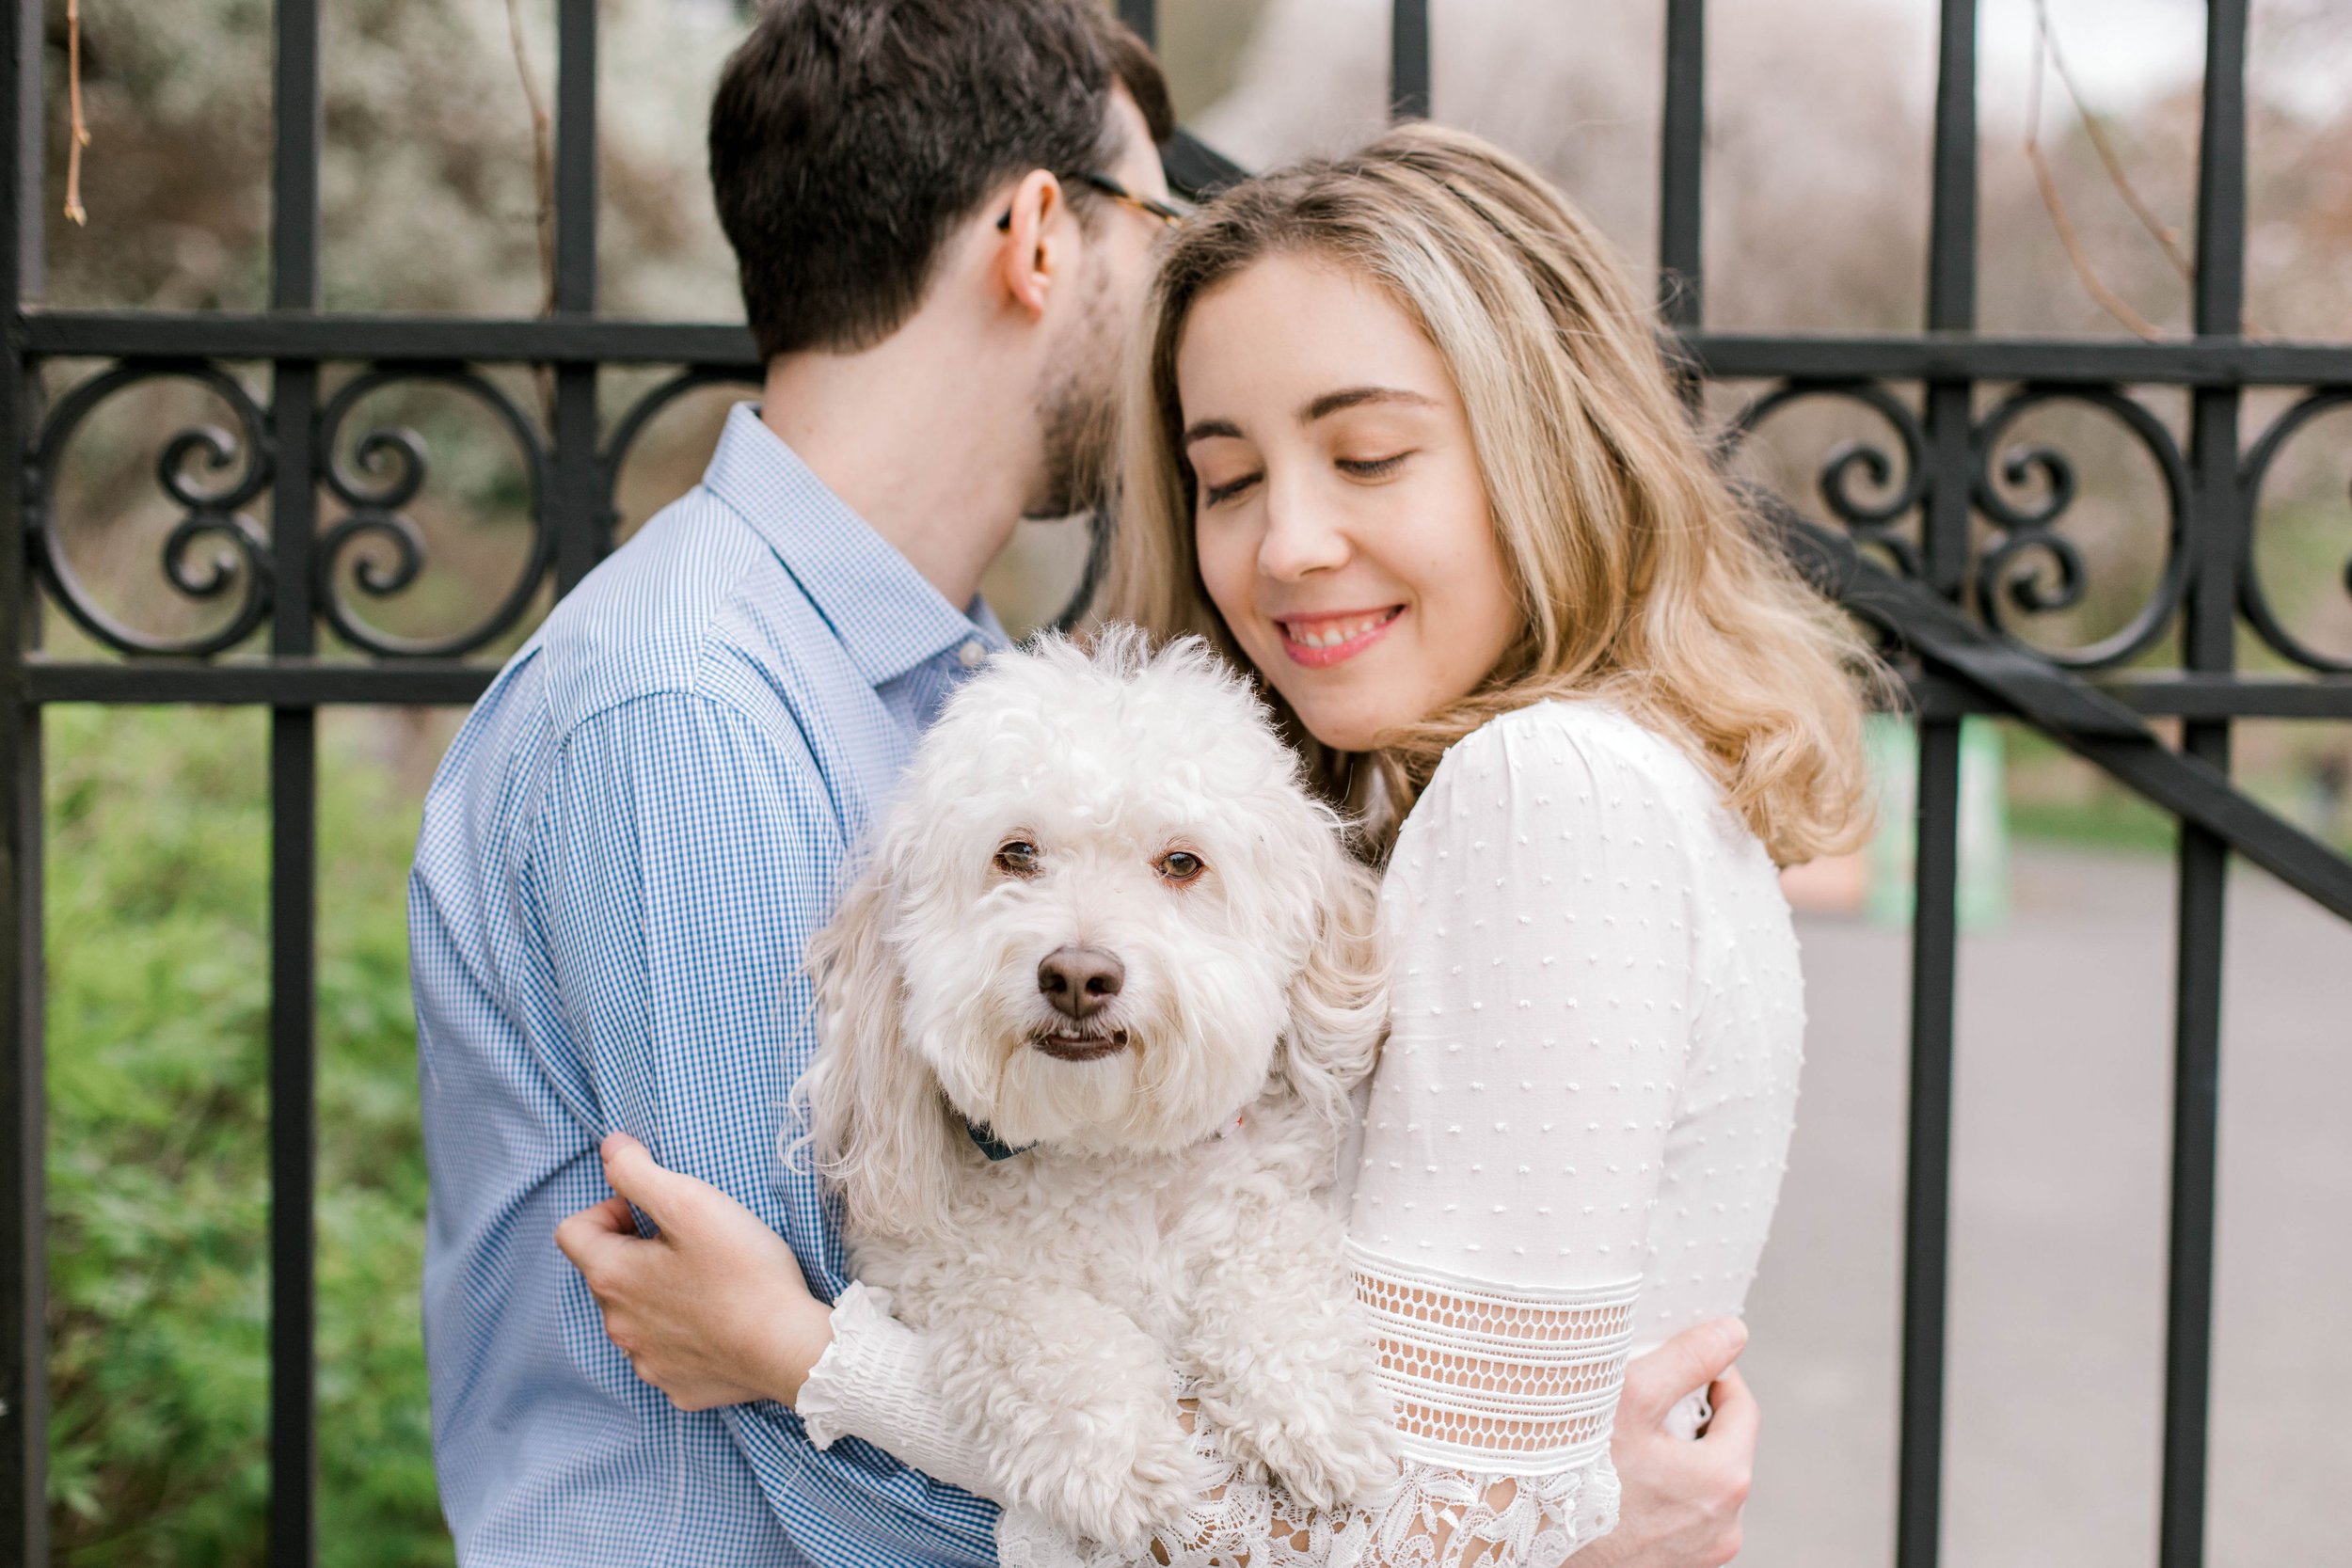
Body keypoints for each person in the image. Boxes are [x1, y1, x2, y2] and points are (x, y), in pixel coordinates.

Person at [554, 122, 1872, 1566]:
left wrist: (812, 1356)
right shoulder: (1534, 782)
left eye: (1368, 455)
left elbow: (1418, 1540)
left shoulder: (1544, 787)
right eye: (1228, 479)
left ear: (1548, 448)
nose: (1290, 542)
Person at [407, 3, 1178, 1561]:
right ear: (1039, 234)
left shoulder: (952, 692)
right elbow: (818, 1424)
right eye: (1156, 222)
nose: (1174, 293)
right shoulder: (691, 711)